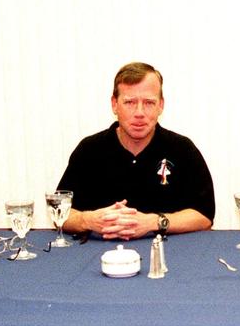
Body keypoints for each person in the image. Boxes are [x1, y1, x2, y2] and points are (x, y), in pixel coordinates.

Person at [57, 62, 215, 239]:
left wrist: (154, 222)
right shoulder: (89, 150)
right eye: (130, 102)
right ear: (114, 104)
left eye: (148, 102)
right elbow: (59, 212)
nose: (139, 112)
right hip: (99, 253)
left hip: (169, 254)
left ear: (160, 105)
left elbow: (204, 216)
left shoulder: (183, 149)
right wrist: (88, 220)